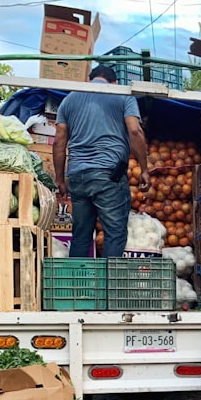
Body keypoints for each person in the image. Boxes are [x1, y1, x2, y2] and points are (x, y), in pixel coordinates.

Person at [53, 65, 150, 258]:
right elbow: (134, 131)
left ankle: (77, 287)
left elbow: (59, 141)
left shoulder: (69, 99)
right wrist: (144, 169)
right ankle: (108, 287)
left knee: (81, 235)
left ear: (91, 78)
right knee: (115, 233)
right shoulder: (122, 94)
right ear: (114, 82)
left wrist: (60, 179)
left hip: (77, 176)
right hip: (108, 175)